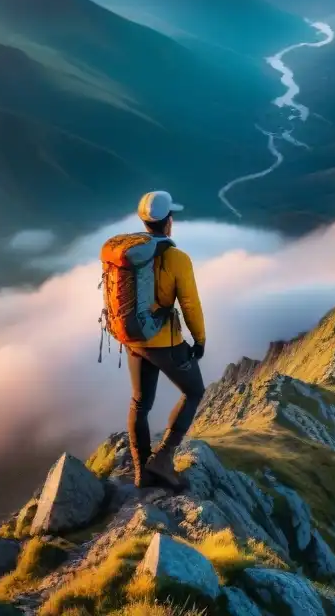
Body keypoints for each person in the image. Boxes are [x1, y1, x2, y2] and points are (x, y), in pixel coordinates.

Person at [125, 190, 206, 490]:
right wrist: (199, 339)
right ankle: (162, 458)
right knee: (194, 391)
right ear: (169, 221)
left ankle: (140, 471)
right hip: (165, 343)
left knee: (140, 403)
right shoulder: (177, 258)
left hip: (133, 339)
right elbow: (190, 304)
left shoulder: (130, 253)